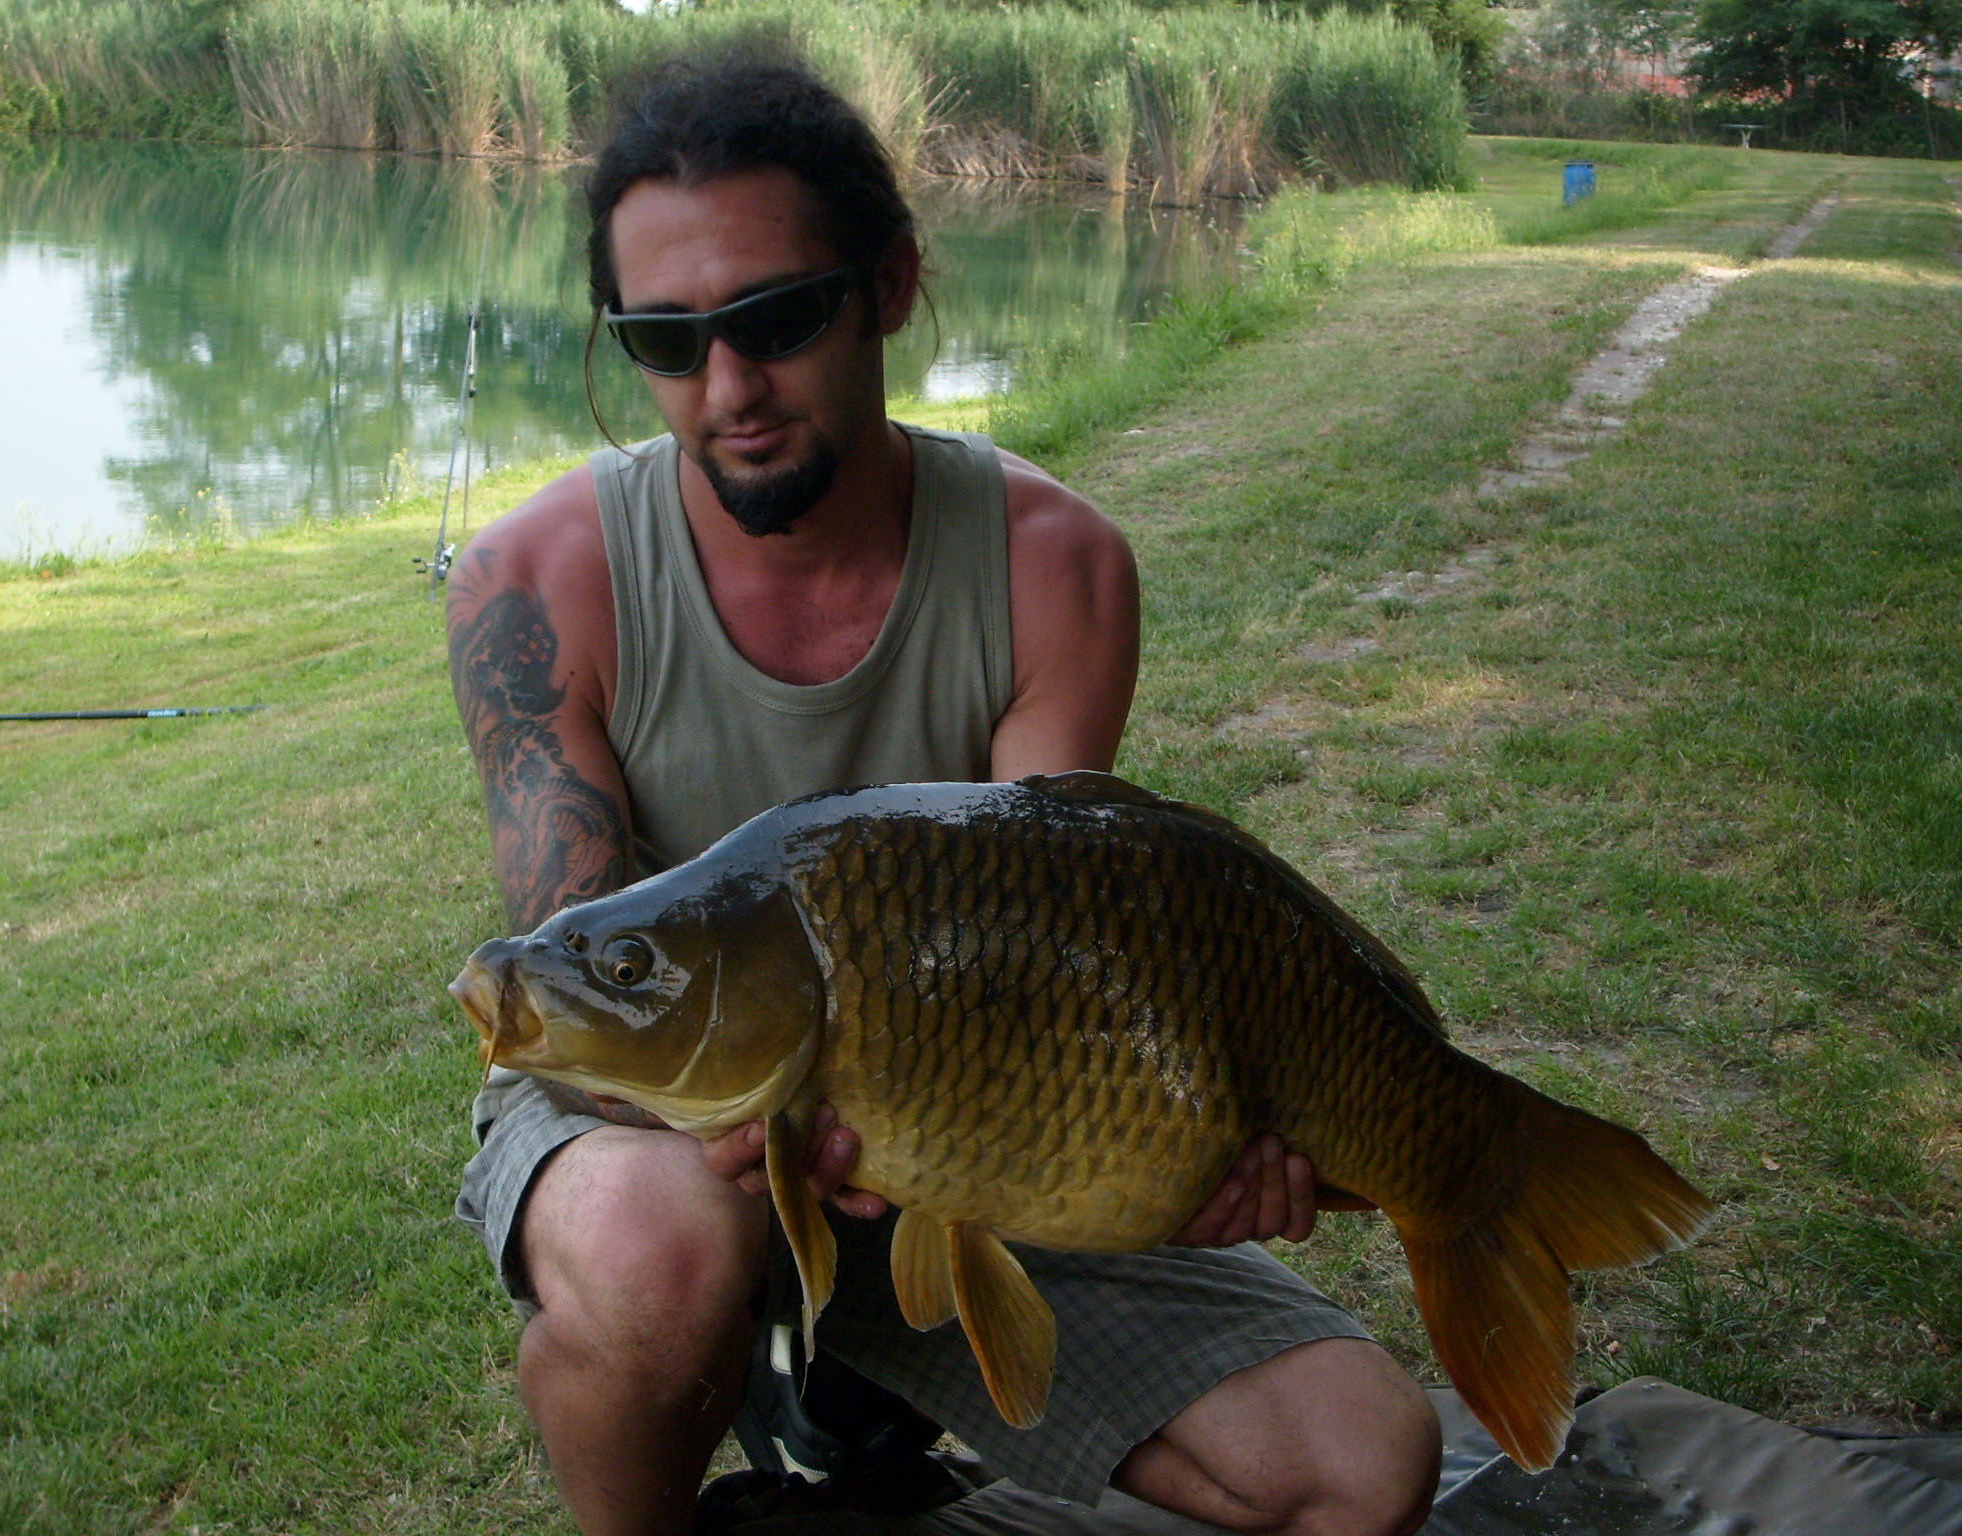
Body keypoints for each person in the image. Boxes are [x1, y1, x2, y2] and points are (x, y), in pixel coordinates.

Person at [447, 50, 1439, 1536]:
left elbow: (1065, 944)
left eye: (778, 319)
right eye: (665, 338)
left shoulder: (1055, 565)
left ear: (892, 285)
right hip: (659, 1133)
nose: (728, 390)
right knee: (663, 1251)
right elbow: (587, 1006)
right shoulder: (532, 584)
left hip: (973, 1112)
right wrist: (748, 1136)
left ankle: (856, 1392)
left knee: (1365, 1466)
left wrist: (1186, 1152)